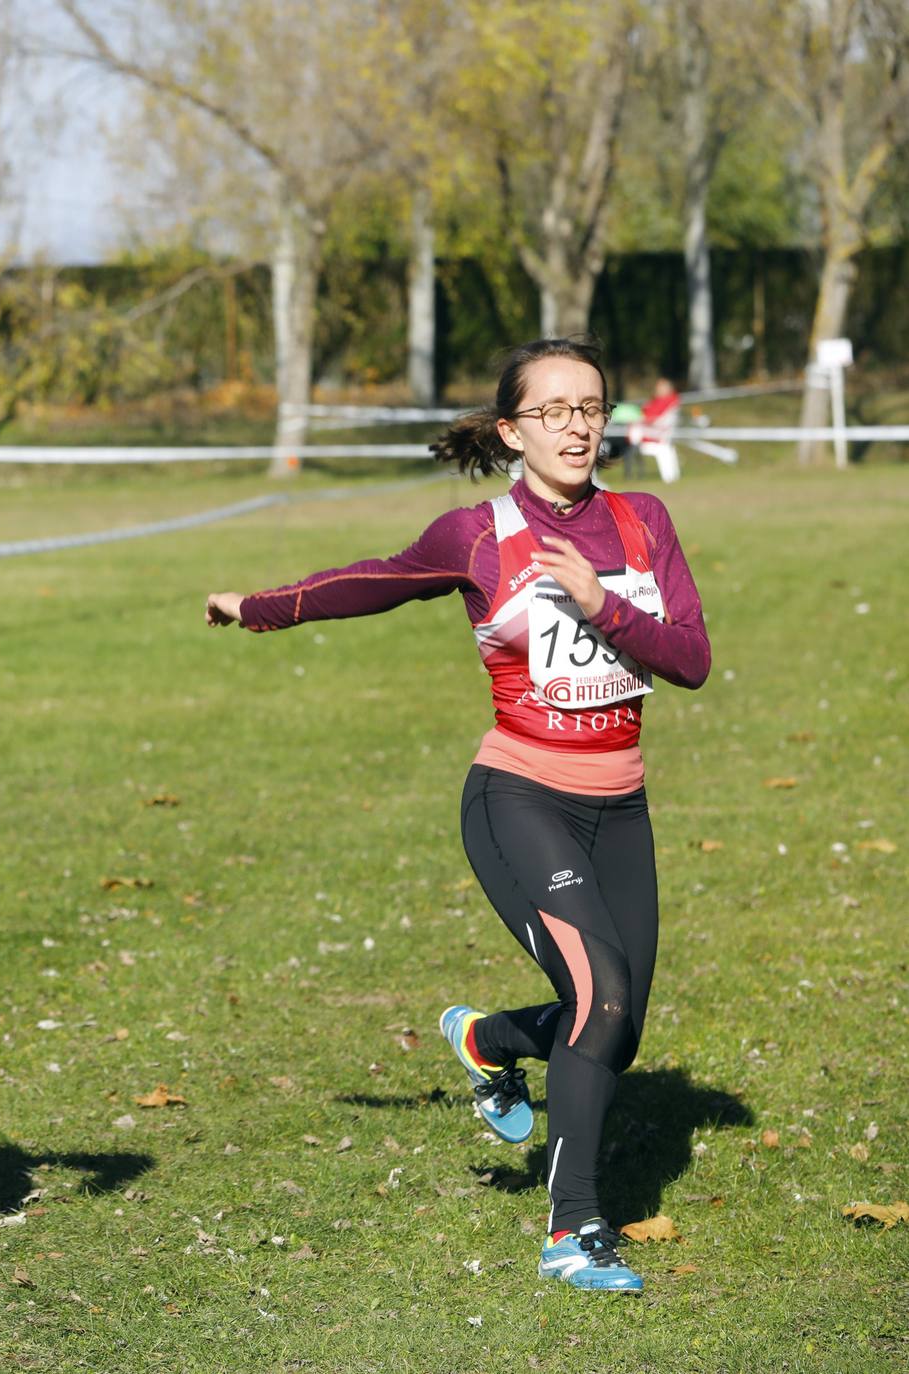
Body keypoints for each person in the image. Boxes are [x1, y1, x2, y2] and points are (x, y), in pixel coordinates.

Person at [204, 337, 709, 1293]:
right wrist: (259, 607)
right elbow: (373, 581)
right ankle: (573, 1233)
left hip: (623, 806)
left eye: (590, 408)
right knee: (596, 1000)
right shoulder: (477, 535)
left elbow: (689, 658)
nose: (576, 427)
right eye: (553, 411)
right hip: (517, 797)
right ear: (512, 429)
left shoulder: (644, 521)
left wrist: (604, 605)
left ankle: (488, 1041)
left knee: (616, 1025)